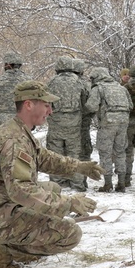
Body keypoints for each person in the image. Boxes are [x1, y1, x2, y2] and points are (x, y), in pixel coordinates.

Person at [0, 80, 102, 268]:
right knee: (70, 234)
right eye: (46, 105)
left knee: (53, 189)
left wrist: (78, 166)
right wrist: (69, 204)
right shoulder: (14, 140)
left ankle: (5, 243)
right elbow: (22, 190)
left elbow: (44, 158)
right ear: (28, 104)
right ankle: (3, 249)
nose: (50, 111)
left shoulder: (17, 130)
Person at [46, 57, 91, 191]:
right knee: (74, 153)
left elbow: (46, 101)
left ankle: (57, 183)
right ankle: (77, 183)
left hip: (56, 123)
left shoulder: (52, 82)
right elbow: (85, 103)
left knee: (55, 153)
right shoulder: (79, 82)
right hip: (74, 123)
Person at [85, 66, 132, 192]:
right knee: (120, 151)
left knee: (105, 153)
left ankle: (108, 183)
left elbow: (91, 107)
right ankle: (121, 183)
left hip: (107, 123)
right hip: (123, 122)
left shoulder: (98, 88)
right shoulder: (121, 88)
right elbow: (130, 105)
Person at [0, 52, 28, 132]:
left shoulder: (0, 81)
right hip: (22, 121)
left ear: (8, 65)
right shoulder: (28, 80)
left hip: (1, 122)